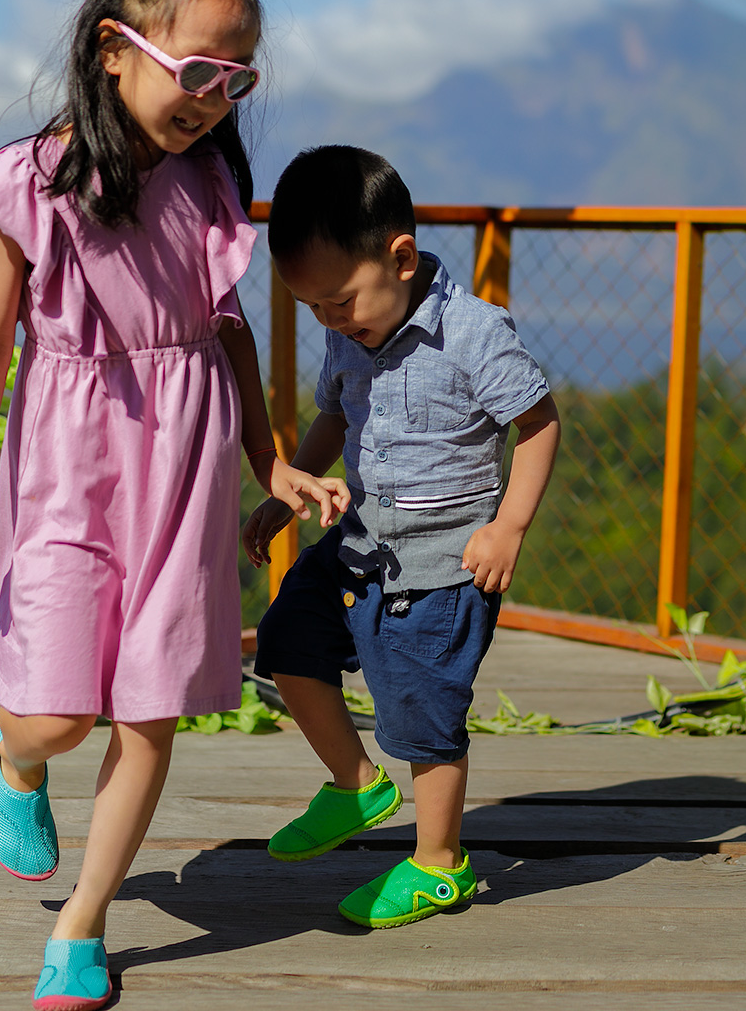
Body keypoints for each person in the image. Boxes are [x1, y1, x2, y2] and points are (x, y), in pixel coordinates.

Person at [0, 0, 347, 1011]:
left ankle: (82, 926)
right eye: (198, 68)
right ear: (118, 48)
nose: (215, 97)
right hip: (70, 456)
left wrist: (271, 458)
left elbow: (227, 333)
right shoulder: (26, 181)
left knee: (149, 703)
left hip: (185, 457)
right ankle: (14, 753)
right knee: (58, 713)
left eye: (236, 76)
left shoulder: (212, 180)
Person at [244, 145, 560, 928]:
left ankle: (439, 863)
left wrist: (508, 527)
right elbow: (333, 414)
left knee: (422, 712)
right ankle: (355, 784)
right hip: (359, 545)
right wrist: (288, 488)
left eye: (341, 301)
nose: (330, 320)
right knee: (286, 639)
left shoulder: (475, 334)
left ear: (403, 257)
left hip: (444, 566)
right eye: (312, 307)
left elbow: (539, 422)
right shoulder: (348, 330)